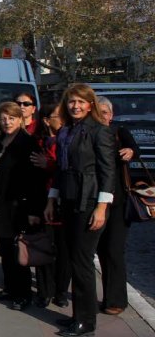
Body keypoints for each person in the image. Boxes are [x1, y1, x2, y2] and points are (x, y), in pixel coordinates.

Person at [44, 84, 116, 337]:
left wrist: (101, 207)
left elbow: (108, 172)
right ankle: (78, 316)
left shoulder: (99, 132)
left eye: (81, 102)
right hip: (69, 199)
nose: (75, 106)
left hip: (89, 202)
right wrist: (52, 199)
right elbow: (61, 170)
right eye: (72, 101)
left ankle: (86, 322)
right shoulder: (67, 130)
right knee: (74, 260)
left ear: (90, 104)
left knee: (82, 262)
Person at [0, 102, 46, 311]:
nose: (6, 122)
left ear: (20, 119)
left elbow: (37, 180)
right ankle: (9, 288)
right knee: (4, 249)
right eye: (3, 117)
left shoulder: (28, 143)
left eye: (11, 118)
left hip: (19, 206)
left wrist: (34, 211)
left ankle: (23, 294)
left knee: (19, 252)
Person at [95, 96, 139, 316]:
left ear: (111, 115)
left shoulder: (119, 133)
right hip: (95, 201)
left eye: (105, 112)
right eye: (97, 112)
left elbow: (134, 149)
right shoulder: (89, 134)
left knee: (113, 250)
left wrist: (130, 152)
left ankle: (116, 300)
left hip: (119, 202)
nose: (102, 116)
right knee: (100, 250)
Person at [30, 103, 71, 309]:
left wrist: (50, 165)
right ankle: (44, 292)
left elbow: (66, 168)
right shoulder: (38, 142)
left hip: (65, 202)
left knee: (64, 251)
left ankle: (61, 292)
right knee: (43, 247)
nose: (63, 119)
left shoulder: (69, 139)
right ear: (47, 120)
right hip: (43, 201)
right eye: (58, 116)